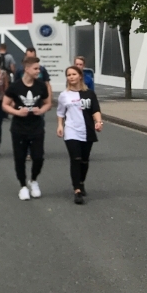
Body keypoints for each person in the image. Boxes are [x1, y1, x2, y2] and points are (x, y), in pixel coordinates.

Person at [2, 57, 52, 200]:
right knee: (20, 158)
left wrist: (41, 110)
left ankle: (33, 180)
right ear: (27, 69)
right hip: (19, 128)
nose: (38, 71)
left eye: (39, 68)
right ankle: (23, 186)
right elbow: (5, 104)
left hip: (36, 127)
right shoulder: (15, 87)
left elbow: (48, 103)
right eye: (36, 68)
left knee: (38, 157)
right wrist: (17, 112)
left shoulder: (41, 86)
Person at [57, 66, 102, 204]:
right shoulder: (64, 95)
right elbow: (60, 112)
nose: (71, 77)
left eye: (74, 74)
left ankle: (81, 182)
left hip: (87, 130)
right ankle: (76, 190)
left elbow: (95, 110)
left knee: (84, 160)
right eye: (68, 75)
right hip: (71, 130)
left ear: (80, 76)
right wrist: (60, 125)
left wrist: (98, 122)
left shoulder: (89, 94)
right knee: (75, 159)